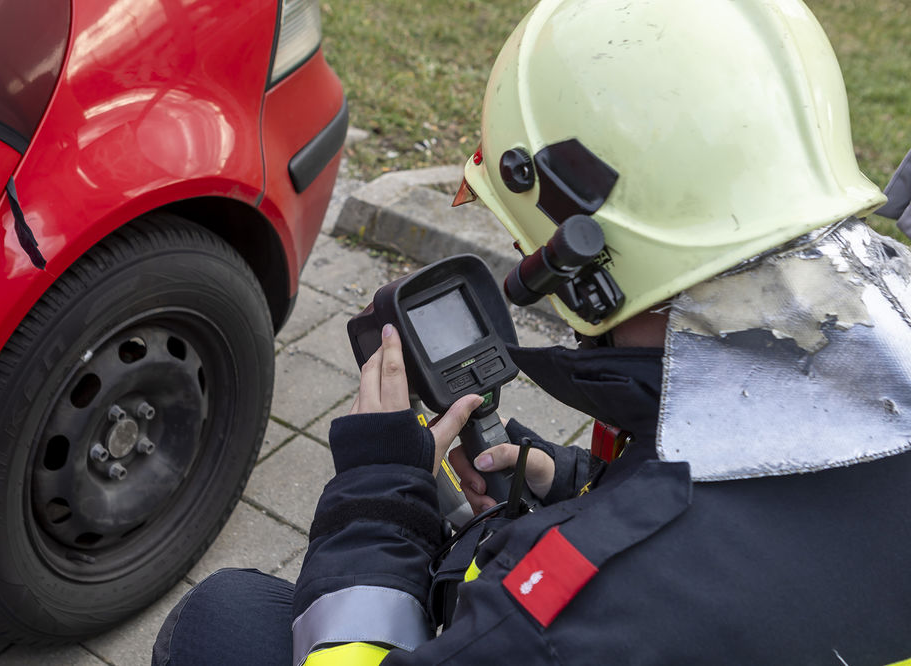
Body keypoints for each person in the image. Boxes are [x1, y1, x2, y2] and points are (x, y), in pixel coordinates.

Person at [153, 0, 911, 663]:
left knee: (222, 623)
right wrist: (575, 487)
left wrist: (377, 498)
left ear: (590, 261)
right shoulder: (877, 365)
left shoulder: (569, 615)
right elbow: (748, 516)